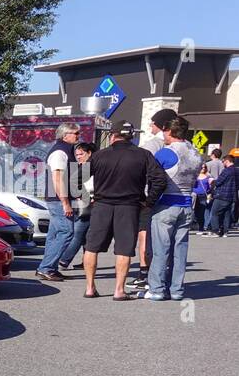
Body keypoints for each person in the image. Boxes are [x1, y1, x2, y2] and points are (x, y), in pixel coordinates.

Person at [84, 121, 168, 300]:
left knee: (91, 247)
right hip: (129, 206)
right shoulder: (143, 155)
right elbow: (160, 180)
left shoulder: (99, 155)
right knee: (124, 249)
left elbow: (75, 178)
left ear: (113, 135)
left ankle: (90, 288)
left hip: (101, 205)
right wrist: (149, 202)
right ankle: (119, 291)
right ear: (132, 136)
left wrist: (87, 198)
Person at [144, 117, 200, 301]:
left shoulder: (166, 153)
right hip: (187, 204)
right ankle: (176, 290)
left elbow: (152, 177)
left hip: (166, 204)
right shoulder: (195, 153)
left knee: (160, 249)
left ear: (170, 131)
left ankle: (157, 289)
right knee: (180, 250)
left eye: (164, 132)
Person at [131, 108, 178, 289]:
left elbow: (139, 169)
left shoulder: (153, 145)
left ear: (161, 125)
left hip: (150, 196)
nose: (150, 124)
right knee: (167, 239)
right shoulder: (184, 146)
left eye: (153, 122)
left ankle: (144, 273)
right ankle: (162, 275)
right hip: (174, 198)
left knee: (145, 234)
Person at [36, 121, 81, 281]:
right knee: (67, 232)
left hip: (59, 198)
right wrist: (65, 202)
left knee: (54, 234)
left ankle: (49, 267)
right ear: (65, 135)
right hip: (58, 199)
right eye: (75, 133)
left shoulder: (65, 150)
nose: (78, 136)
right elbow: (58, 179)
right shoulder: (60, 152)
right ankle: (46, 267)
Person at [57, 140, 95, 269]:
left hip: (89, 205)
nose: (78, 157)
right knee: (84, 235)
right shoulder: (82, 166)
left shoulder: (90, 167)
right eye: (77, 154)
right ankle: (86, 262)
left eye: (81, 154)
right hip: (82, 204)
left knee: (78, 233)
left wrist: (83, 195)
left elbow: (91, 186)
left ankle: (64, 260)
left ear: (89, 153)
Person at [209, 153, 236, 237]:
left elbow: (219, 182)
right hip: (232, 196)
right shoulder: (237, 170)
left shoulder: (226, 170)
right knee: (227, 214)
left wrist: (212, 181)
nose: (223, 163)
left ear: (227, 161)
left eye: (223, 161)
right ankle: (225, 231)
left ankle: (215, 231)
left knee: (214, 213)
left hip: (222, 195)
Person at [192, 165, 212, 233]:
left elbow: (210, 187)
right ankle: (195, 225)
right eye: (202, 167)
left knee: (202, 212)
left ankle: (201, 228)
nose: (203, 168)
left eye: (205, 167)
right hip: (194, 196)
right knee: (195, 212)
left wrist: (209, 193)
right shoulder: (194, 176)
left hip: (203, 196)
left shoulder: (208, 176)